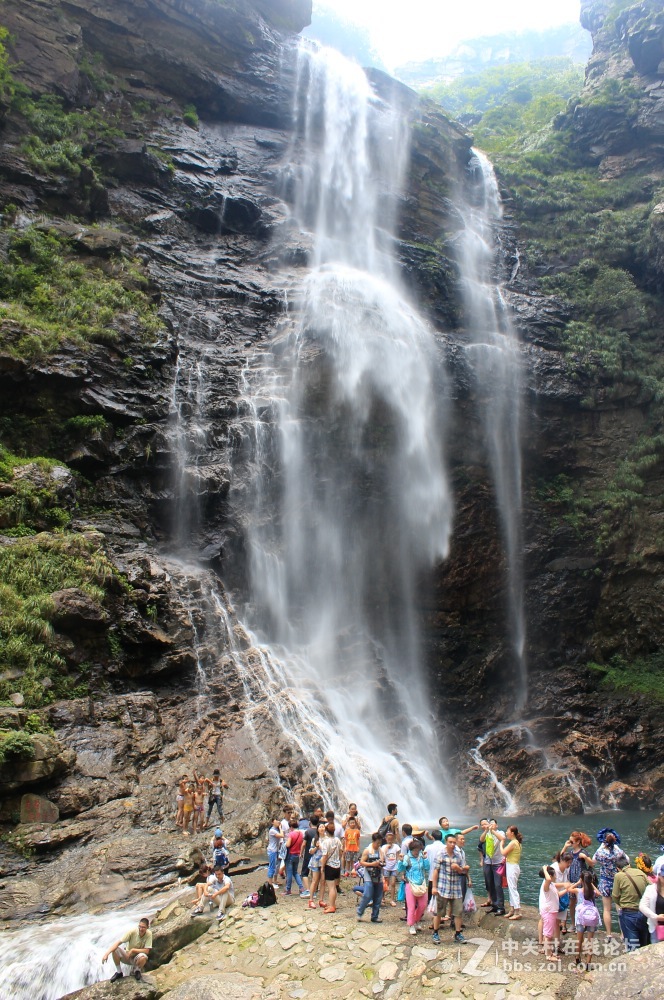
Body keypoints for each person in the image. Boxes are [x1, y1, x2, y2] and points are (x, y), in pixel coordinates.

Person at [431, 833, 467, 945]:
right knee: (439, 912)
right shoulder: (440, 854)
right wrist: (434, 886)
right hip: (443, 887)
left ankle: (458, 933)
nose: (452, 844)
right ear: (446, 842)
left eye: (454, 843)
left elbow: (463, 871)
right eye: (450, 842)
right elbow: (435, 870)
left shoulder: (458, 855)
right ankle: (435, 933)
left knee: (458, 912)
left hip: (456, 888)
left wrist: (459, 869)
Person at [593, 828, 628, 939]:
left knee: (606, 909)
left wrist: (601, 846)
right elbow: (627, 860)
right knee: (620, 909)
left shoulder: (601, 852)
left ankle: (608, 934)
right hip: (617, 881)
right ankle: (623, 934)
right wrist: (617, 847)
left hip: (605, 881)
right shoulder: (618, 852)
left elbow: (593, 861)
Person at [612, 856, 649, 949]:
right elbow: (651, 888)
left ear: (618, 868)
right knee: (644, 944)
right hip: (643, 912)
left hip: (628, 913)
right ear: (629, 864)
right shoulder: (640, 872)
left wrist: (621, 904)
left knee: (632, 946)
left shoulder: (618, 875)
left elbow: (615, 896)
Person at [102, 917, 152, 982]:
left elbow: (147, 951)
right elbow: (118, 943)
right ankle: (119, 972)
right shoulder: (132, 932)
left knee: (144, 957)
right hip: (127, 956)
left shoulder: (149, 934)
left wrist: (133, 950)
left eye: (143, 927)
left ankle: (137, 971)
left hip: (137, 958)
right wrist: (106, 954)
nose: (141, 929)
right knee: (115, 949)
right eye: (140, 926)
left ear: (147, 927)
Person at [397, 836, 429, 935]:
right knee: (411, 906)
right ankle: (411, 925)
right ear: (411, 850)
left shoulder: (421, 857)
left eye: (418, 850)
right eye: (414, 850)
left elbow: (427, 868)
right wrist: (401, 861)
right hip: (410, 884)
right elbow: (401, 868)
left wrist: (425, 859)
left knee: (423, 905)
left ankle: (416, 920)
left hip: (421, 883)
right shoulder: (407, 857)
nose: (416, 852)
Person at [562, 830, 594, 927]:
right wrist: (565, 846)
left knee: (582, 903)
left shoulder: (583, 852)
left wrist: (585, 857)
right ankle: (573, 924)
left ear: (578, 842)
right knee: (572, 904)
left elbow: (592, 863)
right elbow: (560, 858)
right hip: (572, 881)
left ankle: (583, 923)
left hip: (581, 881)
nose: (570, 843)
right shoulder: (570, 853)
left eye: (572, 842)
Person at [570, 870, 601, 966]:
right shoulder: (593, 892)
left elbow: (569, 889)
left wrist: (578, 882)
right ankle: (588, 962)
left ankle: (577, 958)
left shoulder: (578, 891)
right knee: (590, 941)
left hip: (580, 918)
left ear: (582, 879)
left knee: (579, 940)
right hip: (591, 917)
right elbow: (599, 893)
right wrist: (591, 884)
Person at [357, 831, 385, 923]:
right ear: (373, 841)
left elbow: (384, 861)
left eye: (380, 843)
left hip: (378, 875)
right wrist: (372, 864)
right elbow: (361, 862)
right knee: (367, 895)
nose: (378, 844)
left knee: (378, 897)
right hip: (368, 875)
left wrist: (381, 864)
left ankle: (375, 916)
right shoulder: (367, 850)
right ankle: (360, 912)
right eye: (377, 843)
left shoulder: (381, 851)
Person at [497, 826, 522, 920]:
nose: (506, 833)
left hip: (512, 866)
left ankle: (517, 911)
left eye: (507, 831)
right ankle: (512, 910)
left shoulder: (513, 843)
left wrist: (501, 843)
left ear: (512, 833)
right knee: (511, 888)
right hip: (511, 866)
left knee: (513, 888)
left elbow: (503, 852)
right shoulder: (516, 842)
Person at [481, 819, 506, 915]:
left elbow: (502, 839)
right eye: (489, 823)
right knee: (489, 884)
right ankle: (494, 905)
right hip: (488, 862)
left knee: (497, 885)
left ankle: (500, 907)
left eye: (493, 823)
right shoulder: (487, 833)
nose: (491, 825)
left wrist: (493, 831)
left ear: (497, 825)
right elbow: (481, 839)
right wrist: (487, 830)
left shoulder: (500, 832)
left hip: (498, 863)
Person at [319, 822, 342, 913]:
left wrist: (322, 867)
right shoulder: (337, 840)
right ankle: (333, 904)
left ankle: (332, 906)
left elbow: (325, 856)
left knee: (331, 887)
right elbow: (341, 851)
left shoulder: (326, 842)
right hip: (337, 865)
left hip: (329, 866)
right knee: (334, 887)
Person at [284, 818, 310, 897]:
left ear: (291, 827)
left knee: (289, 873)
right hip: (297, 855)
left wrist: (285, 844)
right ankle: (301, 888)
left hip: (290, 855)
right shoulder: (301, 834)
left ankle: (288, 890)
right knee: (295, 872)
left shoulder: (291, 834)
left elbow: (288, 845)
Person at [638, 870, 664, 943]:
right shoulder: (651, 889)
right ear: (659, 876)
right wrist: (655, 917)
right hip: (656, 928)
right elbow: (642, 906)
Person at [306, 821, 327, 910]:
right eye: (320, 827)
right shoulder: (315, 839)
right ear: (317, 829)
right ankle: (311, 900)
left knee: (323, 881)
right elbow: (310, 851)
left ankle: (321, 899)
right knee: (315, 880)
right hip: (315, 862)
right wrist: (316, 847)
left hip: (324, 862)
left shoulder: (327, 839)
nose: (322, 828)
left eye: (323, 827)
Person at [424, 830, 444, 904]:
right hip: (443, 874)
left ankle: (430, 906)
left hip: (432, 873)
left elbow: (424, 857)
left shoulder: (429, 847)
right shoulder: (444, 847)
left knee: (431, 892)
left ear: (432, 837)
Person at [266, 818, 283, 883]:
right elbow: (281, 835)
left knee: (277, 865)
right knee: (272, 866)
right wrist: (280, 828)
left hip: (277, 850)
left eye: (278, 821)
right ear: (272, 822)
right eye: (276, 821)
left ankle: (275, 880)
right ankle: (270, 883)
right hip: (272, 850)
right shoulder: (272, 830)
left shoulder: (276, 829)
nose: (278, 822)